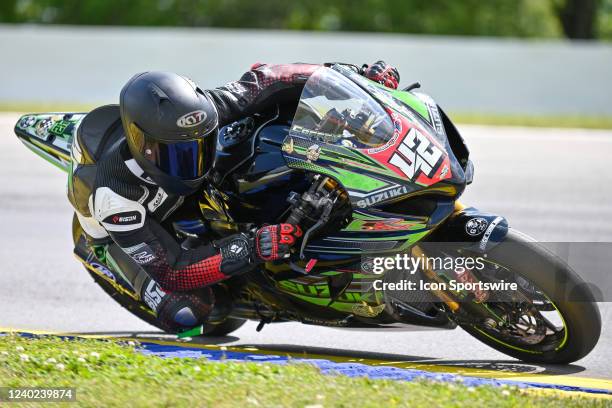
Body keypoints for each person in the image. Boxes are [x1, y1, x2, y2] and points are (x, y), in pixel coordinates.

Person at [68, 61, 400, 332]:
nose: (193, 160)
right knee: (194, 311)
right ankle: (105, 258)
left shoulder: (199, 115)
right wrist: (252, 247)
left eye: (201, 144)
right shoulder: (116, 198)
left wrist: (353, 76)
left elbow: (271, 77)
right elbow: (174, 270)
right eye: (179, 154)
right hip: (122, 238)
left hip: (185, 200)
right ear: (145, 147)